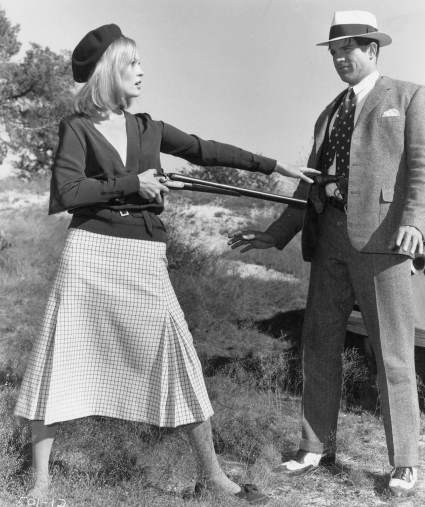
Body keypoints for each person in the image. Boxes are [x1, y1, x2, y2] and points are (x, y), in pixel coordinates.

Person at [14, 23, 318, 503]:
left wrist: (275, 166)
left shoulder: (146, 126)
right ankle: (41, 483)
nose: (141, 71)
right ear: (109, 69)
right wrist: (133, 183)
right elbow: (67, 194)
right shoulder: (76, 127)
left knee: (179, 357)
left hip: (143, 255)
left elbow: (205, 148)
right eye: (132, 63)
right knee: (61, 357)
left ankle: (213, 476)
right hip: (90, 255)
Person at [229, 10, 425, 498]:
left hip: (386, 244)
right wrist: (275, 235)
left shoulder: (409, 96)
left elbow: (424, 169)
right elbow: (310, 188)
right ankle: (314, 447)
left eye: (350, 49)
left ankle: (405, 462)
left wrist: (412, 222)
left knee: (392, 354)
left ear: (373, 50)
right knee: (319, 345)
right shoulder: (329, 112)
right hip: (329, 244)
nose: (341, 58)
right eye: (334, 51)